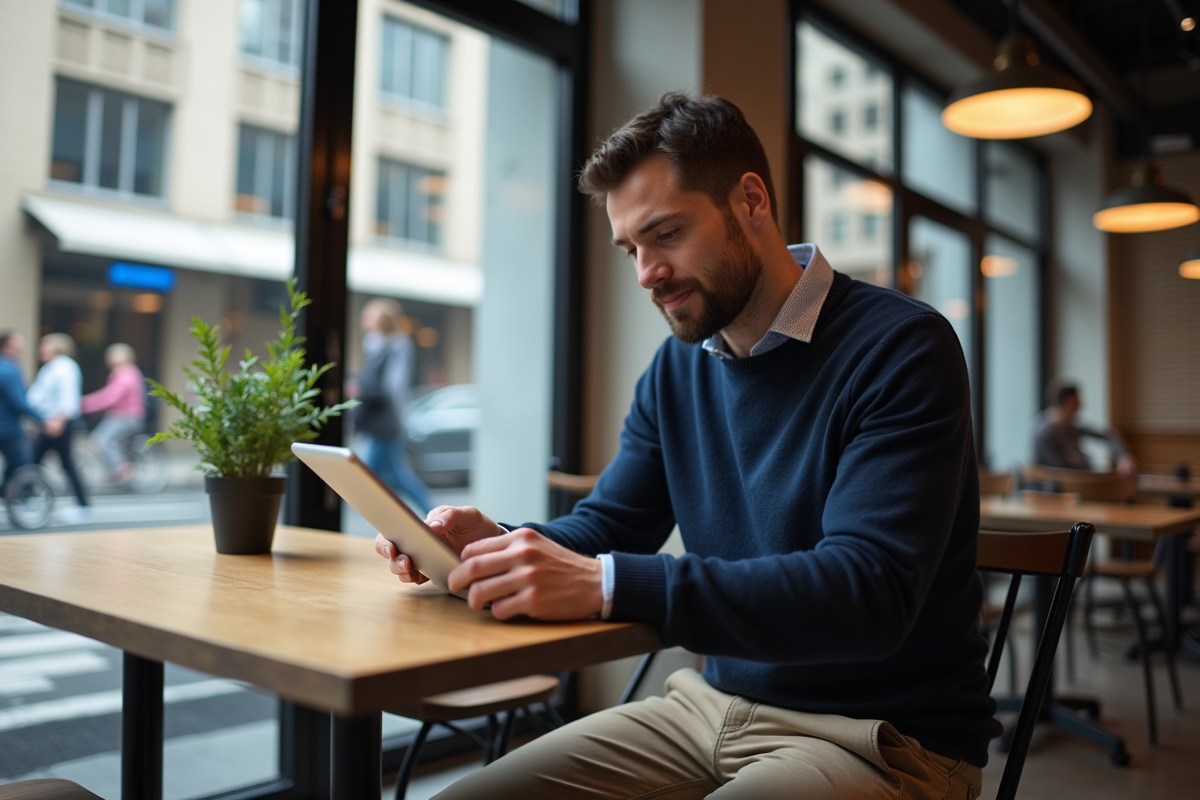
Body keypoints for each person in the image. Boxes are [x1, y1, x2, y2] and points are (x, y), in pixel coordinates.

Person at [376, 93, 996, 800]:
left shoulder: (900, 347)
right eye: (631, 249)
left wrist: (609, 583)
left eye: (665, 234)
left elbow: (868, 591)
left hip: (881, 739)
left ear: (750, 201)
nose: (647, 272)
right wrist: (500, 546)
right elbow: (612, 524)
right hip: (707, 708)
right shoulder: (677, 368)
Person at [354, 298, 435, 515]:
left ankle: (432, 514)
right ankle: (432, 514)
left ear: (383, 319)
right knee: (396, 477)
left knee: (370, 475)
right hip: (378, 424)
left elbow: (393, 389)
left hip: (387, 423)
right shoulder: (374, 344)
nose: (365, 320)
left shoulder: (397, 345)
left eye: (371, 316)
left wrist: (362, 389)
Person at [28, 333, 91, 523]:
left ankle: (82, 506)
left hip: (57, 422)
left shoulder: (64, 367)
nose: (41, 349)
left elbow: (68, 398)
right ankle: (29, 497)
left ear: (57, 348)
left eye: (45, 345)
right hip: (51, 421)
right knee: (46, 461)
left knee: (37, 460)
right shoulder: (52, 367)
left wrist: (58, 420)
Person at [1032, 378, 1136, 476]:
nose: (1080, 404)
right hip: (1062, 483)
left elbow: (1109, 435)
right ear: (1069, 401)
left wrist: (1123, 457)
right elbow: (1061, 468)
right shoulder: (1043, 433)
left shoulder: (1072, 426)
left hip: (1080, 477)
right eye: (1078, 399)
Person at [81, 343, 146, 483]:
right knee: (111, 439)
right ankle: (117, 468)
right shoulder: (132, 371)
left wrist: (86, 404)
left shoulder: (124, 373)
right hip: (129, 415)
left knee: (100, 439)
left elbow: (110, 396)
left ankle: (121, 468)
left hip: (124, 416)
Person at [0, 331, 42, 488]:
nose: (22, 343)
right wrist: (41, 418)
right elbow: (18, 402)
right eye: (18, 340)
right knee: (23, 467)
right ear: (8, 345)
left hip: (6, 425)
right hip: (8, 428)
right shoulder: (8, 369)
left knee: (15, 466)